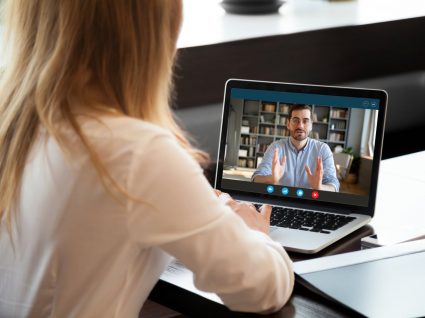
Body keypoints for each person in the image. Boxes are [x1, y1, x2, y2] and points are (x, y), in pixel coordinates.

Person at [0, 1, 294, 317]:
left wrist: (200, 207)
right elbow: (260, 288)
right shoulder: (134, 153)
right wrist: (253, 235)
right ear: (152, 32)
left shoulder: (15, 125)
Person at [252, 105, 339, 192]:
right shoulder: (275, 148)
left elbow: (333, 185)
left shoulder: (323, 150)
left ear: (311, 125)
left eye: (305, 121)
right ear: (288, 124)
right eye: (295, 120)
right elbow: (256, 178)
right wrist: (271, 179)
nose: (300, 126)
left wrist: (320, 187)